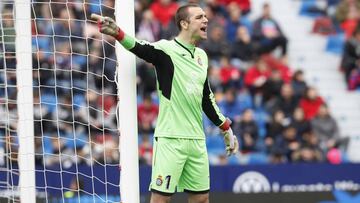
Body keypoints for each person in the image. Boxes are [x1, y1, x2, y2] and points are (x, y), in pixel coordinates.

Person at [95, 3, 238, 203]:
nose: (206, 20)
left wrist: (225, 127)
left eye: (205, 16)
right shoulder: (167, 49)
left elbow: (206, 97)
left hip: (196, 139)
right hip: (171, 139)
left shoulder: (202, 57)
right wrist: (118, 33)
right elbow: (141, 47)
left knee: (202, 198)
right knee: (161, 199)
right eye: (199, 17)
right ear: (184, 24)